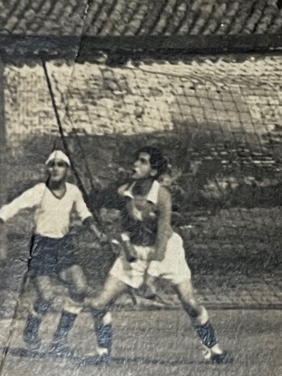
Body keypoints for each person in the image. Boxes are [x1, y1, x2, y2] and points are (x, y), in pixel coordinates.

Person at [87, 147, 231, 363]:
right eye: (136, 160)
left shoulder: (163, 196)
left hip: (167, 252)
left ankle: (214, 350)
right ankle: (102, 353)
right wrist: (125, 247)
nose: (135, 165)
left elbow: (162, 236)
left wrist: (150, 277)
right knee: (98, 304)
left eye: (142, 162)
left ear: (153, 171)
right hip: (136, 252)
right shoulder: (124, 192)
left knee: (191, 304)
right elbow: (123, 227)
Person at [0, 151, 107, 353]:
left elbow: (85, 214)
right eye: (52, 164)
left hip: (63, 246)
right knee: (46, 296)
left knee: (80, 287)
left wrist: (98, 234)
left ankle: (59, 339)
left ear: (67, 169)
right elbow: (14, 205)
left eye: (61, 165)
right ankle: (31, 331)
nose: (55, 168)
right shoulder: (39, 190)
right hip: (42, 246)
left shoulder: (73, 191)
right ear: (47, 168)